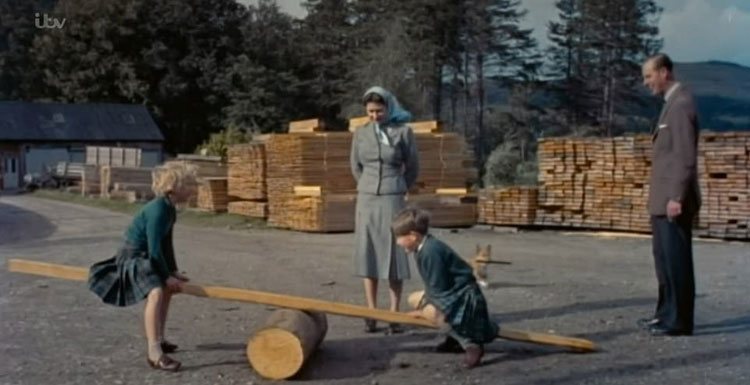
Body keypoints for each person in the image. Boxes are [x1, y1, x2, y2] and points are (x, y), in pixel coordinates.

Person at [88, 162, 197, 371]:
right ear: (172, 187)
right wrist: (165, 277)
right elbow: (155, 248)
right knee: (156, 292)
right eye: (189, 185)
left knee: (167, 290)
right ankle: (154, 352)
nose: (193, 189)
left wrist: (172, 272)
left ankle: (160, 338)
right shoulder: (158, 210)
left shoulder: (170, 209)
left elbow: (166, 244)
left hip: (148, 256)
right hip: (133, 257)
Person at [639, 53, 700, 337]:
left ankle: (680, 321)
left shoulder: (681, 104)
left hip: (673, 200)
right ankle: (664, 314)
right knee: (663, 260)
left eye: (649, 76)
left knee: (676, 261)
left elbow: (685, 155)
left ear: (664, 72)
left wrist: (676, 196)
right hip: (662, 200)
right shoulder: (670, 105)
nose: (646, 82)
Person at [350, 86, 420, 334]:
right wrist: (367, 186)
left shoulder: (403, 132)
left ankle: (393, 313)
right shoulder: (360, 134)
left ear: (389, 108)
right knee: (368, 253)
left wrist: (398, 187)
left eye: (379, 111)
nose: (374, 116)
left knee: (394, 255)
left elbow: (412, 167)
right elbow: (355, 166)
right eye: (370, 112)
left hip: (393, 199)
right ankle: (371, 312)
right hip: (367, 199)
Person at [393, 207, 498, 369]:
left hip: (465, 296)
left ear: (413, 236)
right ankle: (454, 339)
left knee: (431, 313)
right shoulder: (422, 247)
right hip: (452, 291)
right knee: (414, 299)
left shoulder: (430, 251)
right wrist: (424, 304)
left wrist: (422, 313)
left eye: (399, 237)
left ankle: (471, 344)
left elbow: (439, 289)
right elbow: (433, 285)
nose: (397, 242)